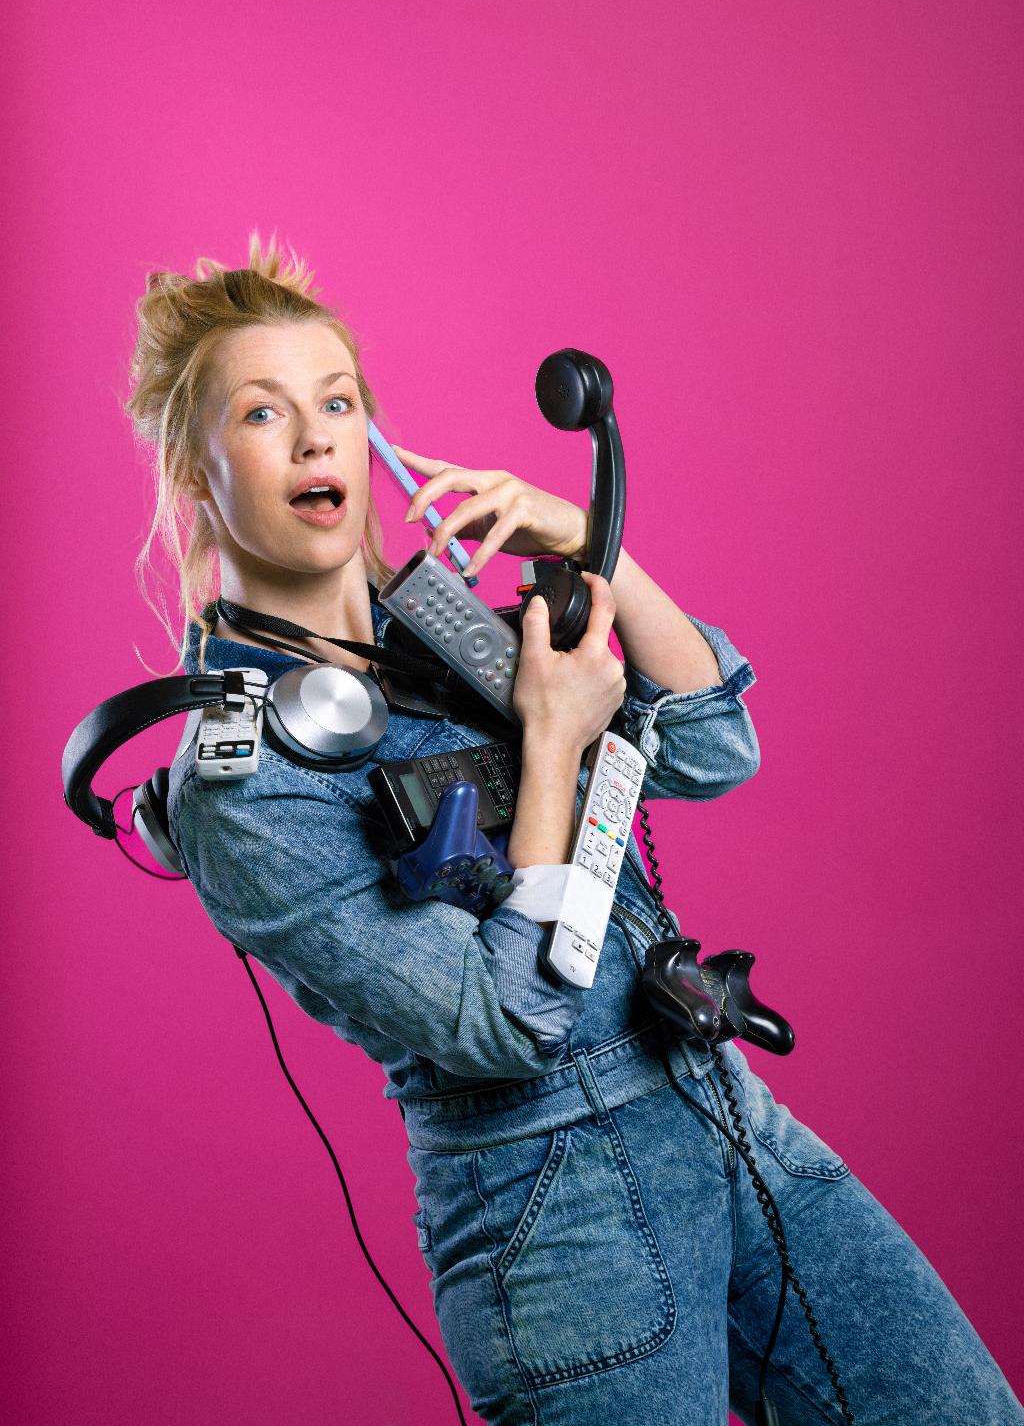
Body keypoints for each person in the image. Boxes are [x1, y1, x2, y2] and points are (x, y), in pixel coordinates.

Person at [125, 233, 1022, 1425]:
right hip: (555, 1209)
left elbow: (712, 746)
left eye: (336, 401)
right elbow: (503, 1023)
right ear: (196, 473)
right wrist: (551, 745)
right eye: (261, 412)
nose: (313, 437)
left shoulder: (447, 635)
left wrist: (587, 540)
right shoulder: (242, 784)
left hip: (719, 1111)